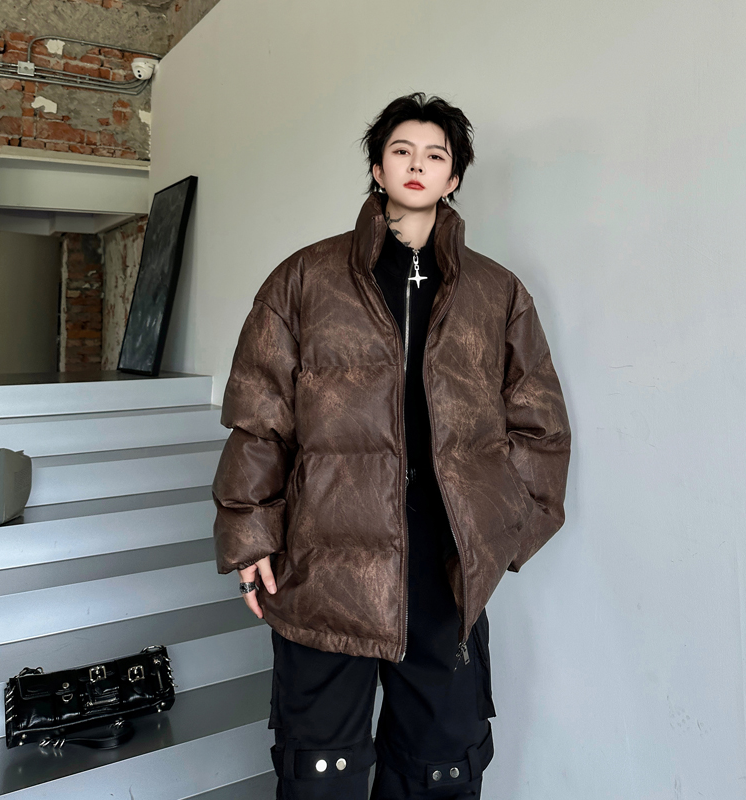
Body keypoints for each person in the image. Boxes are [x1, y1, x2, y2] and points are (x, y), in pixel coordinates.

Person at [211, 92, 571, 799]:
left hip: (444, 565)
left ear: (454, 177)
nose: (417, 164)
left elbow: (541, 425)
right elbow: (259, 417)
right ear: (377, 167)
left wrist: (501, 534)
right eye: (402, 150)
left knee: (440, 765)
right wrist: (250, 535)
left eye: (436, 155)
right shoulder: (304, 278)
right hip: (325, 557)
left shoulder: (497, 293)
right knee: (320, 768)